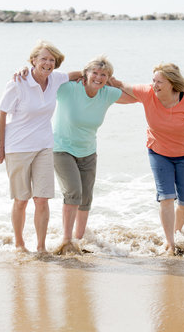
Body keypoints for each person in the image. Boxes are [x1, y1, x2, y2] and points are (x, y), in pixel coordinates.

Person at [111, 63, 184, 255]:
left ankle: (177, 230)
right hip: (159, 152)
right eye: (153, 81)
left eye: (160, 82)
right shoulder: (148, 93)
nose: (154, 85)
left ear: (172, 83)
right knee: (166, 197)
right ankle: (170, 243)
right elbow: (122, 86)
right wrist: (106, 83)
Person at [0, 40, 80, 253]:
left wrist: (104, 78)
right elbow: (2, 113)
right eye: (43, 59)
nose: (48, 63)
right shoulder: (18, 82)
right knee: (21, 200)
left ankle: (41, 248)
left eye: (52, 60)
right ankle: (19, 244)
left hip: (44, 146)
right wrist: (0, 145)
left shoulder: (55, 79)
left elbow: (77, 75)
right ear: (33, 60)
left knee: (42, 199)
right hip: (18, 148)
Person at [52, 56, 136, 254]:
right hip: (61, 148)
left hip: (88, 151)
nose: (98, 78)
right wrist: (72, 75)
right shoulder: (68, 89)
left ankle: (79, 240)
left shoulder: (107, 93)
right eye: (95, 73)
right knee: (73, 192)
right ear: (86, 74)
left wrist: (118, 83)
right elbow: (46, 81)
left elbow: (137, 98)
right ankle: (66, 240)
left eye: (104, 75)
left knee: (86, 197)